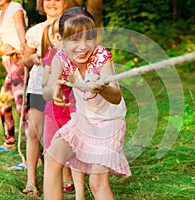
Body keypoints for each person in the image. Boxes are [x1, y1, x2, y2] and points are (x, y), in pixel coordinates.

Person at [43, 7, 132, 200]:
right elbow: (48, 90)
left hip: (109, 124)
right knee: (52, 157)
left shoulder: (101, 57)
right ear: (60, 40)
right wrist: (55, 89)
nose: (83, 46)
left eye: (88, 38)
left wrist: (102, 88)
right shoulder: (61, 58)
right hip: (84, 121)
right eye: (75, 39)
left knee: (97, 182)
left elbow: (116, 96)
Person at [21, 0, 79, 197]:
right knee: (35, 133)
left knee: (63, 132)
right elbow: (25, 59)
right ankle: (31, 180)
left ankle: (66, 176)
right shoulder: (36, 31)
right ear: (41, 3)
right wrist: (33, 59)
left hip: (64, 87)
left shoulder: (73, 25)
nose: (52, 2)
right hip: (39, 85)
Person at [42, 20, 85, 199]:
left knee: (76, 154)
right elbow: (45, 84)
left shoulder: (80, 57)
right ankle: (54, 188)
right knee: (51, 153)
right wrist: (54, 85)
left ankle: (80, 195)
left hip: (73, 113)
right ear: (56, 39)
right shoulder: (51, 56)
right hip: (53, 113)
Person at [0, 0, 28, 153]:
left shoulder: (15, 7)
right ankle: (10, 142)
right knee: (3, 105)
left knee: (23, 108)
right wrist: (3, 49)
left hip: (19, 62)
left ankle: (35, 156)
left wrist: (24, 45)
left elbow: (20, 28)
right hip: (9, 65)